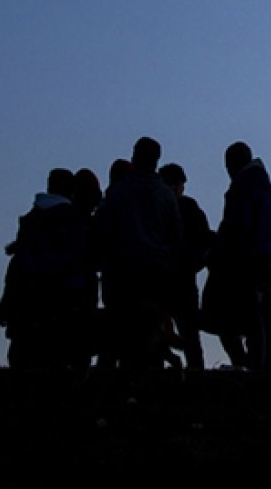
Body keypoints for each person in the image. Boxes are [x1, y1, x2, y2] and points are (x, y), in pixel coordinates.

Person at [94, 137, 185, 369]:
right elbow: (175, 237)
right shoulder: (166, 196)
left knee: (120, 333)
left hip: (122, 272)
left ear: (135, 157)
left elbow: (105, 232)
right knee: (150, 334)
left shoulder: (117, 193)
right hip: (156, 273)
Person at [0, 168, 97, 370]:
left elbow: (19, 261)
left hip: (29, 289)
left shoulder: (31, 218)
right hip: (64, 291)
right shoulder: (73, 218)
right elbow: (77, 253)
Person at [204, 142, 271, 372]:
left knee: (250, 322)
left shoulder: (240, 190)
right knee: (267, 320)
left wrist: (220, 252)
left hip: (248, 264)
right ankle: (269, 370)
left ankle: (253, 371)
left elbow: (237, 229)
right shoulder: (269, 192)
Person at [159, 162, 214, 370]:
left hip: (168, 280)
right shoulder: (189, 208)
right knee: (187, 336)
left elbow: (204, 245)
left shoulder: (162, 208)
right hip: (178, 281)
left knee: (171, 335)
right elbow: (206, 244)